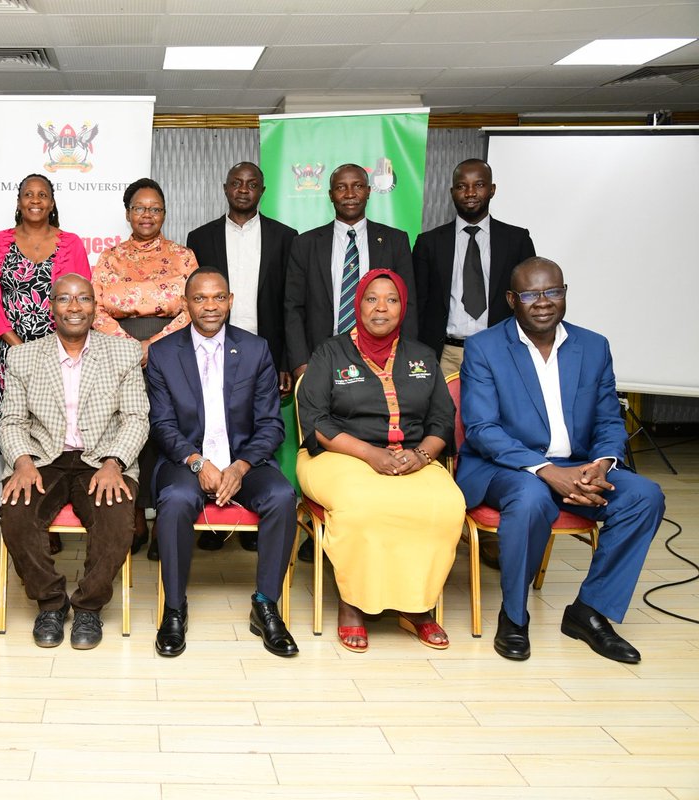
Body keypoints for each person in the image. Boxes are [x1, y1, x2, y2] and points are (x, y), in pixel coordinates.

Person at [456, 257, 664, 664]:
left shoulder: (593, 345)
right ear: (512, 299)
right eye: (531, 294)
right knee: (531, 497)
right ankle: (514, 616)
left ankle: (590, 611)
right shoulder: (485, 348)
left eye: (553, 291)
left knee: (645, 497)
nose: (543, 302)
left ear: (564, 294)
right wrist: (549, 472)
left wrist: (600, 465)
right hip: (508, 468)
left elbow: (607, 418)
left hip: (581, 466)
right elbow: (482, 428)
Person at [296, 268, 463, 653]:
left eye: (391, 300)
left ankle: (417, 606)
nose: (381, 308)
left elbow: (441, 418)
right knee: (363, 506)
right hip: (339, 454)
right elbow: (316, 419)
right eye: (371, 299)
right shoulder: (330, 352)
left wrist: (421, 456)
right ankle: (353, 604)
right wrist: (370, 454)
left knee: (446, 505)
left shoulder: (421, 355)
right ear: (358, 305)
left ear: (403, 307)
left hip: (411, 456)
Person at [146, 268, 299, 658]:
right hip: (186, 459)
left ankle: (265, 604)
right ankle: (174, 608)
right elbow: (161, 425)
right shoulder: (164, 353)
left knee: (282, 496)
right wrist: (198, 462)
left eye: (218, 298)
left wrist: (241, 466)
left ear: (230, 301)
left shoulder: (255, 349)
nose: (210, 306)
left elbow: (270, 424)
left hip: (243, 460)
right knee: (177, 500)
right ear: (186, 305)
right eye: (200, 298)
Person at [0, 273, 149, 650]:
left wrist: (115, 462)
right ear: (52, 308)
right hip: (43, 457)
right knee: (16, 513)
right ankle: (50, 603)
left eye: (83, 299)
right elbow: (11, 420)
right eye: (64, 299)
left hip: (102, 456)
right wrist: (22, 461)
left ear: (94, 307)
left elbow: (136, 417)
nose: (74, 307)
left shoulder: (123, 353)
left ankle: (87, 607)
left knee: (117, 518)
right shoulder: (23, 356)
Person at [283, 162, 417, 564]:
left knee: (371, 436)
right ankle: (319, 527)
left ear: (368, 191)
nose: (350, 193)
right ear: (330, 194)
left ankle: (375, 523)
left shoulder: (394, 240)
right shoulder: (306, 243)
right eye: (341, 187)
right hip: (322, 365)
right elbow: (293, 307)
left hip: (379, 364)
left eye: (358, 185)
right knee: (325, 444)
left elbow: (406, 308)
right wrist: (302, 364)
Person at [413, 159, 535, 572]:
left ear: (491, 190)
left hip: (498, 353)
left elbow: (529, 302)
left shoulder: (517, 241)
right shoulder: (429, 243)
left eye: (478, 185)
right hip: (443, 351)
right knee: (442, 434)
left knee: (498, 431)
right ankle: (444, 520)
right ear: (452, 192)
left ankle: (496, 529)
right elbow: (419, 303)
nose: (470, 192)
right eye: (462, 186)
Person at [185, 162, 298, 553]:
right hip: (211, 341)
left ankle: (255, 510)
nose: (244, 189)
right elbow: (199, 295)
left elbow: (290, 303)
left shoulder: (286, 237)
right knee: (213, 424)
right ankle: (215, 523)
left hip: (263, 348)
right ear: (225, 188)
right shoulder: (200, 237)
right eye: (237, 183)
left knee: (256, 430)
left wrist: (285, 358)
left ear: (262, 190)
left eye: (252, 184)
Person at [0, 173, 91, 555]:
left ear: (52, 201)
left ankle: (55, 508)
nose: (35, 200)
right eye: (28, 193)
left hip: (61, 351)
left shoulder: (71, 243)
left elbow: (80, 294)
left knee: (54, 425)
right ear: (19, 200)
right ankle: (28, 511)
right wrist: (15, 344)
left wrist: (50, 346)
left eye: (42, 194)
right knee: (17, 426)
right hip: (13, 353)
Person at [92, 177, 197, 558]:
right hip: (118, 350)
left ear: (164, 213)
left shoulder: (184, 257)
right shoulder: (110, 258)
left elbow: (192, 307)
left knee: (166, 427)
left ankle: (164, 519)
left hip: (173, 349)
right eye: (140, 208)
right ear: (127, 213)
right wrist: (129, 347)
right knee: (126, 428)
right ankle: (134, 516)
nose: (147, 215)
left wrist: (154, 345)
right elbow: (96, 307)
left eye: (155, 208)